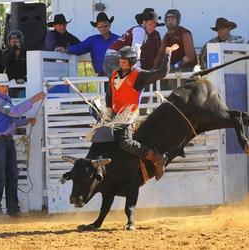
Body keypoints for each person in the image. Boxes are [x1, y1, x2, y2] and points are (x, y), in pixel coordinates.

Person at [105, 45, 178, 180]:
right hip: (115, 114)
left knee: (125, 142)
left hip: (129, 115)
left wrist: (167, 54)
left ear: (132, 61)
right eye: (120, 59)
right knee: (101, 137)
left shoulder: (139, 76)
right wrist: (108, 109)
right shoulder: (114, 74)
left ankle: (157, 158)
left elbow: (162, 73)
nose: (121, 61)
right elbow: (110, 94)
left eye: (125, 59)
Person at [0, 73, 45, 218]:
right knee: (1, 176)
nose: (6, 87)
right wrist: (34, 99)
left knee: (11, 175)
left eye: (6, 85)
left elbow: (10, 120)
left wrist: (26, 121)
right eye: (3, 85)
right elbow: (15, 112)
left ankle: (11, 208)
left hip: (4, 140)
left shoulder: (3, 100)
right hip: (0, 141)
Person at [103, 8, 164, 76]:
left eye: (154, 25)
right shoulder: (140, 30)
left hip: (114, 58)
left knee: (123, 84)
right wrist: (137, 67)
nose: (152, 27)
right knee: (127, 82)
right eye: (150, 24)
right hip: (115, 59)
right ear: (144, 22)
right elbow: (136, 47)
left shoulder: (140, 30)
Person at [67, 12, 119, 76]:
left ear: (110, 25)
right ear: (97, 27)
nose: (103, 28)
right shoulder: (92, 41)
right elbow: (80, 48)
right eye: (100, 27)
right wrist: (67, 49)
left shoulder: (118, 40)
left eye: (105, 26)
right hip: (101, 76)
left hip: (117, 76)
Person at [1, 30, 27, 98]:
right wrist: (12, 52)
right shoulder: (6, 53)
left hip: (24, 85)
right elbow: (3, 63)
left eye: (16, 39)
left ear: (21, 40)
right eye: (12, 39)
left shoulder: (26, 53)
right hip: (10, 86)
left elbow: (32, 70)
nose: (14, 41)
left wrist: (24, 79)